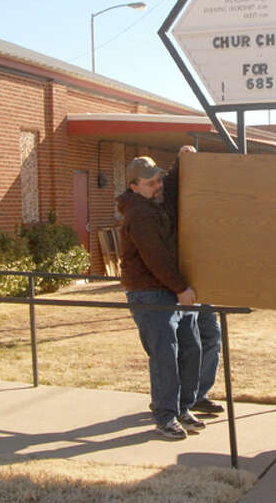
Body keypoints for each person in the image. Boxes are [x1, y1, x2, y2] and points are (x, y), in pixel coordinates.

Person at [116, 155, 205, 440]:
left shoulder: (156, 202)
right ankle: (166, 416)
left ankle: (182, 408)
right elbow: (156, 257)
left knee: (191, 348)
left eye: (158, 179)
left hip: (168, 289)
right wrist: (180, 288)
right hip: (149, 293)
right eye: (150, 182)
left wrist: (182, 159)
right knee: (165, 354)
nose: (158, 185)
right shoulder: (138, 214)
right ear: (134, 186)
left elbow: (172, 186)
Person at [161, 145, 224, 415]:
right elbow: (171, 190)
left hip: (204, 279)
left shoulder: (208, 195)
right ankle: (175, 400)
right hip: (182, 282)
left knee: (212, 336)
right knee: (186, 344)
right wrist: (180, 163)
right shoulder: (170, 194)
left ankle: (199, 394)